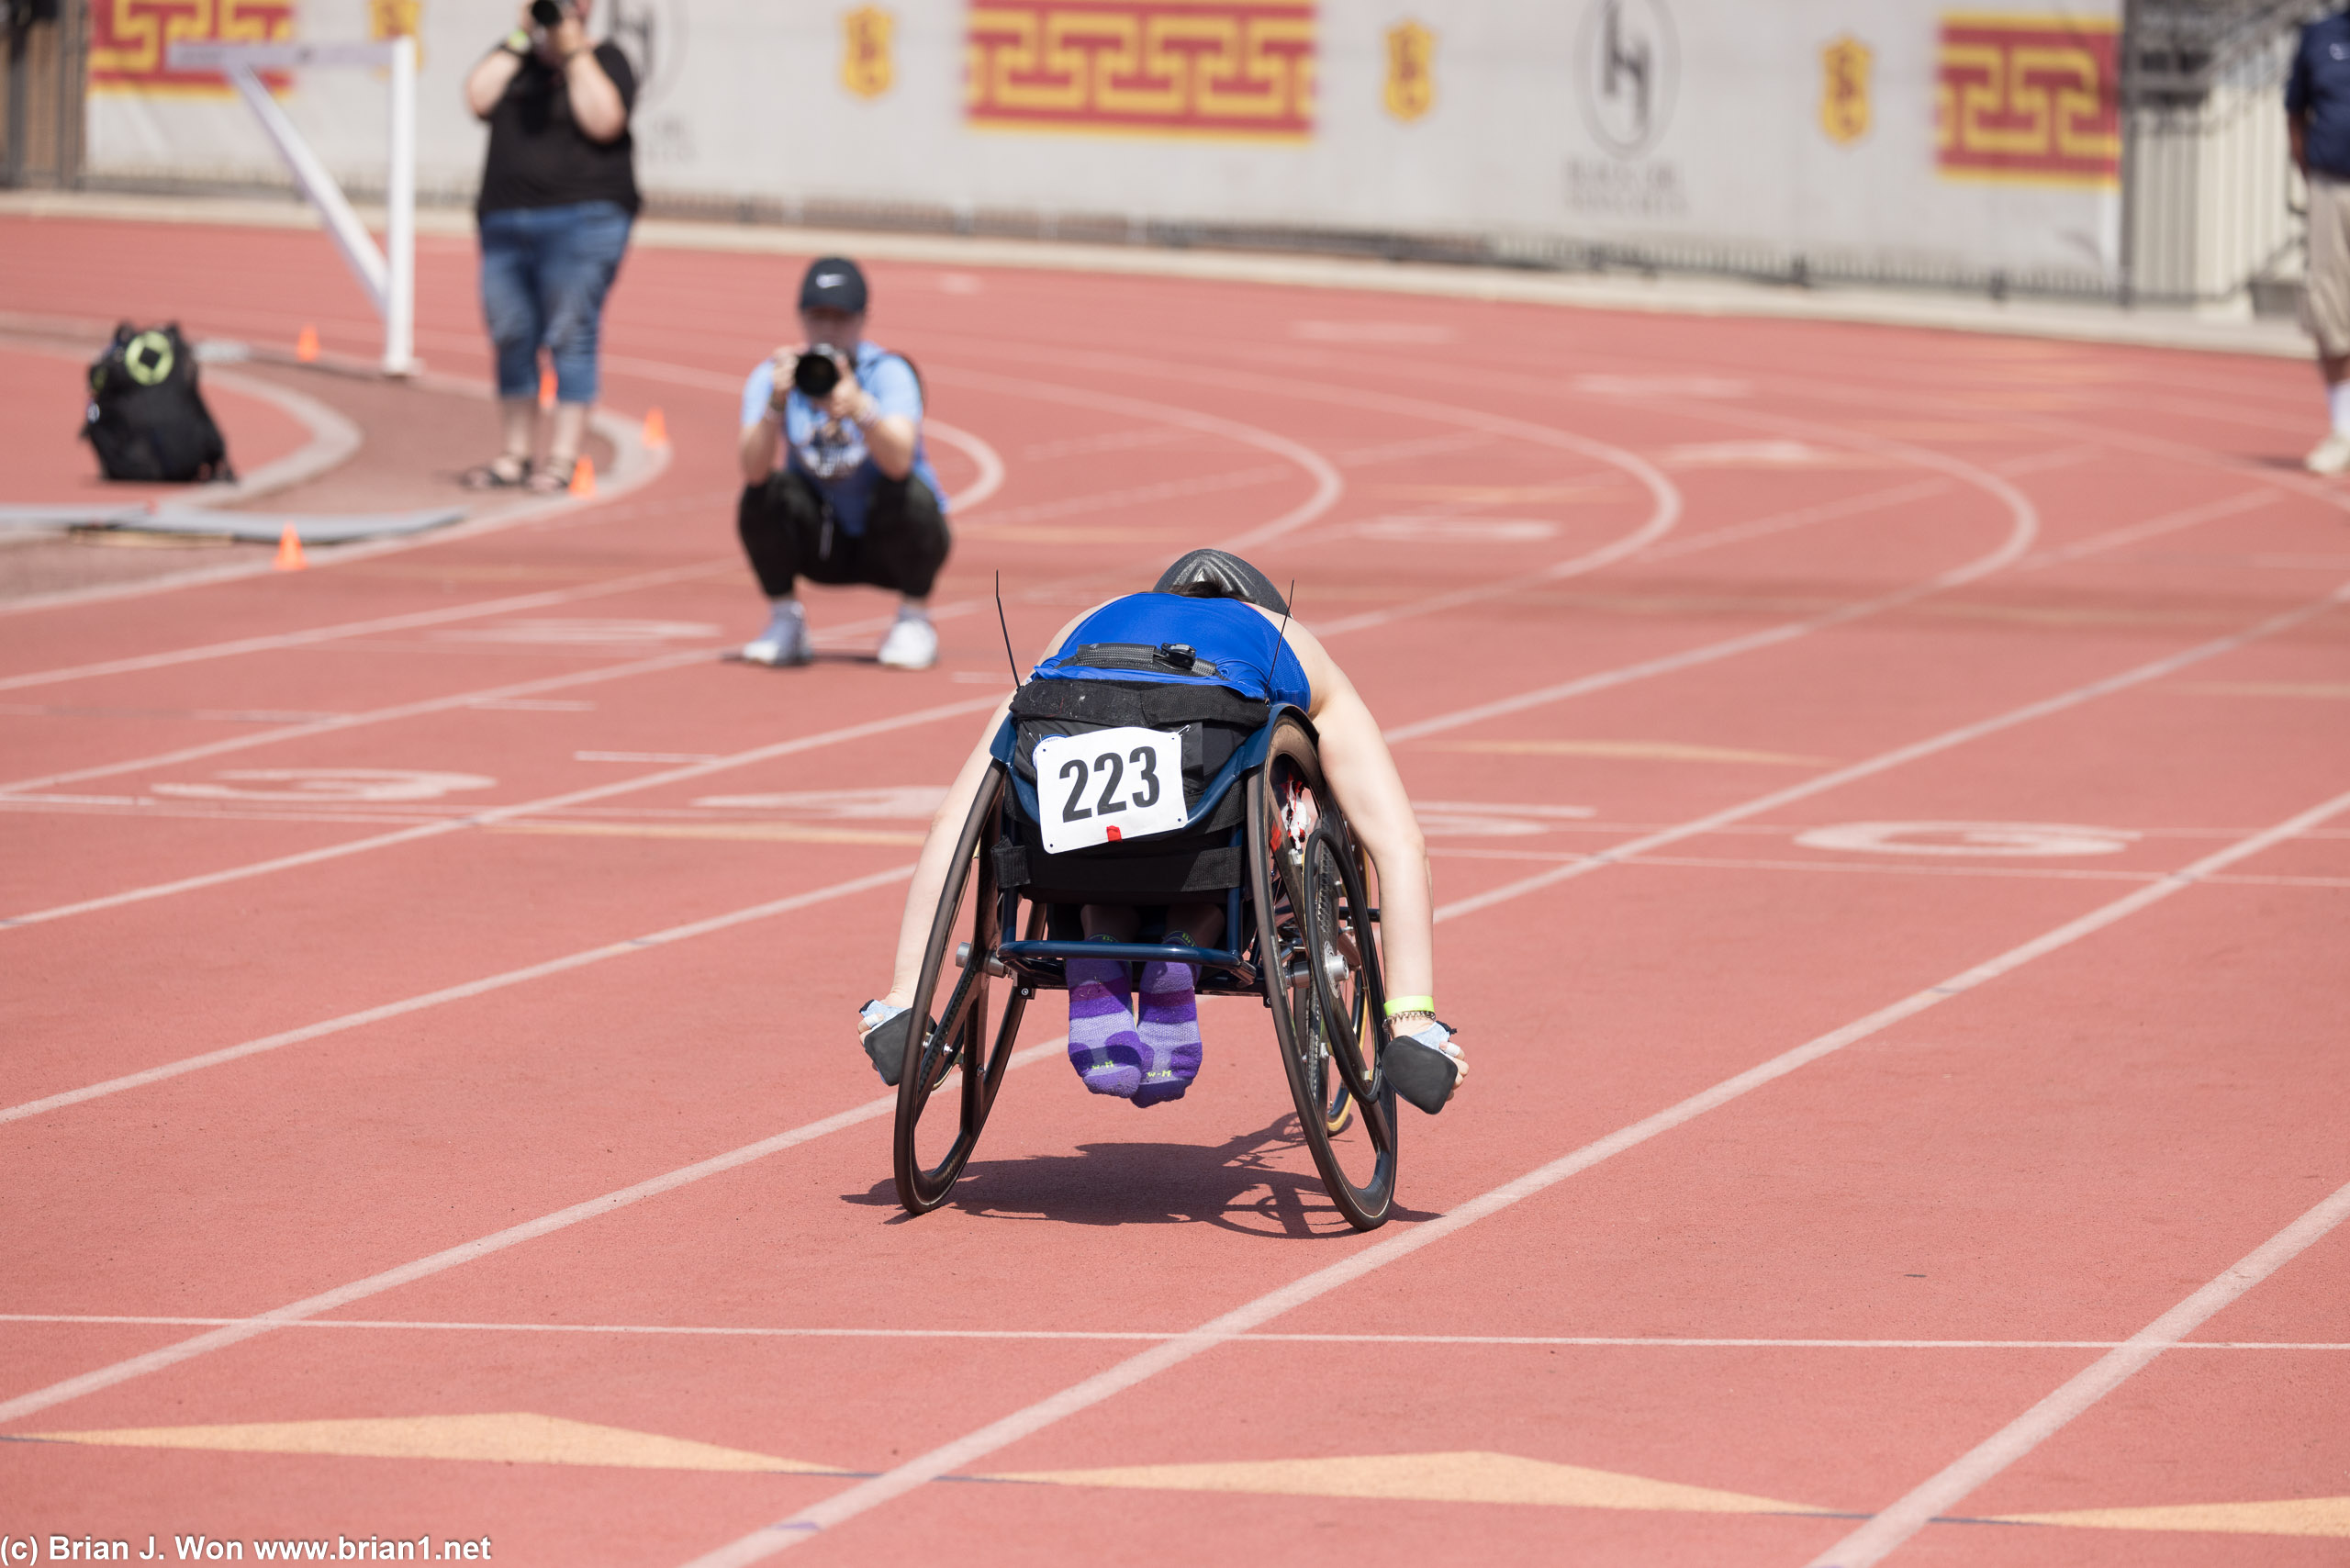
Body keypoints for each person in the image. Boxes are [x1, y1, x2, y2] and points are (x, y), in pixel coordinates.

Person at [856, 550, 1466, 1114]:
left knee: (1094, 835)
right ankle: (1182, 942)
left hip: (1074, 760)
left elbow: (954, 821)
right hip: (1211, 760)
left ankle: (1057, 966)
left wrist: (908, 993)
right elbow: (1398, 845)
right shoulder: (1293, 642)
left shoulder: (1090, 620)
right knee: (1254, 807)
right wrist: (1412, 1019)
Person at [735, 257, 951, 671]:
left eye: (841, 317)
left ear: (863, 318)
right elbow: (753, 470)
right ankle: (785, 619)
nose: (830, 330)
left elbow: (900, 460)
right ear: (801, 317)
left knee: (911, 493)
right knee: (763, 496)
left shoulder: (888, 372)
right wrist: (774, 406)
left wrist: (861, 410)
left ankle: (913, 620)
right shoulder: (775, 376)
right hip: (823, 541)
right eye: (819, 317)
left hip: (887, 539)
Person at [460, 0, 638, 493]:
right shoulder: (515, 58)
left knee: (570, 331)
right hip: (504, 222)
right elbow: (477, 98)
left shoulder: (608, 59)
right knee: (511, 333)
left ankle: (561, 458)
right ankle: (514, 454)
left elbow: (604, 120)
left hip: (582, 219)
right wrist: (522, 39)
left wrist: (572, 48)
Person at [2289, 7, 2350, 475]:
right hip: (2332, 186)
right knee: (2331, 309)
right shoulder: (2319, 36)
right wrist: (2312, 178)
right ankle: (2343, 429)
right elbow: (2296, 113)